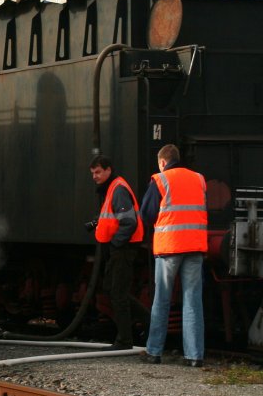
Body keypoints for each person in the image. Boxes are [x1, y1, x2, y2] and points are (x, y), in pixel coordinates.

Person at [139, 143, 207, 367]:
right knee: (193, 301)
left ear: (162, 162)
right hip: (195, 246)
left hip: (169, 248)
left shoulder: (160, 180)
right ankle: (194, 356)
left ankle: (154, 351)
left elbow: (147, 214)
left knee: (162, 300)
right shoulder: (198, 179)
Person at [87, 154, 143, 350]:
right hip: (118, 249)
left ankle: (125, 340)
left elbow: (129, 222)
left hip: (122, 249)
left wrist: (116, 244)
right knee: (113, 290)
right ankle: (147, 323)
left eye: (98, 172)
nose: (95, 176)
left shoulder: (118, 189)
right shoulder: (112, 188)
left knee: (118, 293)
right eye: (93, 173)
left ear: (108, 170)